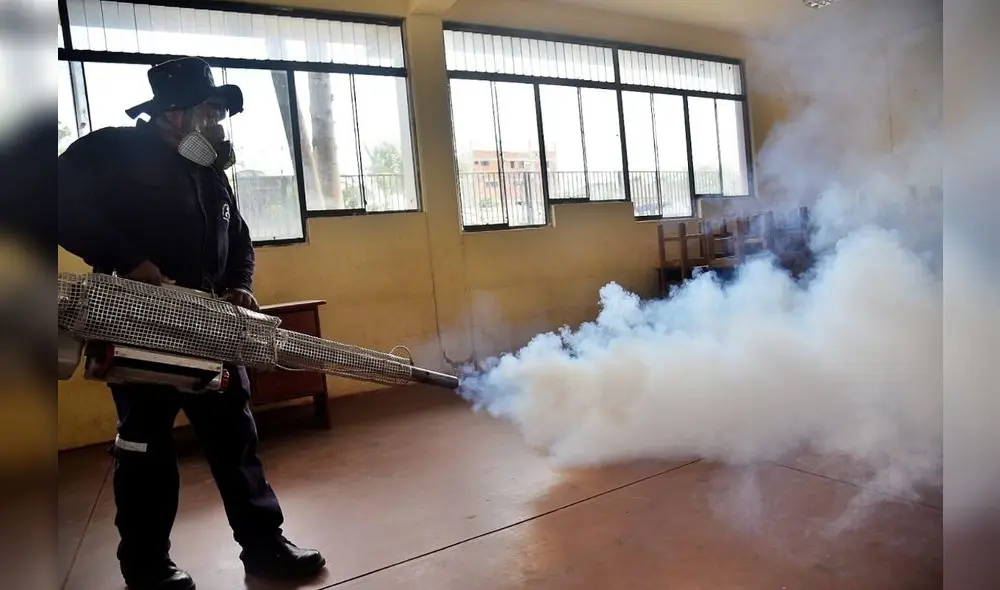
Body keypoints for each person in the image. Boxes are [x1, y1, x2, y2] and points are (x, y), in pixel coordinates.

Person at [57, 57, 326, 590]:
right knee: (145, 449)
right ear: (173, 114)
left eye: (220, 110)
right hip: (142, 325)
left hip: (213, 325)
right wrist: (125, 257)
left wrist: (241, 282)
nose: (217, 121)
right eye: (209, 110)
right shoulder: (109, 152)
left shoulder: (206, 169)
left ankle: (265, 547)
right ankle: (147, 565)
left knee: (236, 438)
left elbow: (239, 237)